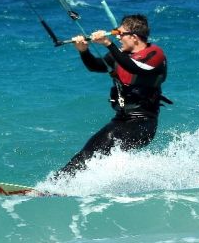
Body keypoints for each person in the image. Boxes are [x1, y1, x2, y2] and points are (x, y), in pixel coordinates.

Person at [55, 14, 170, 178]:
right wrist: (83, 51)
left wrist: (108, 43)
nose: (118, 38)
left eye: (120, 34)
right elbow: (96, 66)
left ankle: (60, 184)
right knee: (89, 152)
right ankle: (58, 184)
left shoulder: (155, 55)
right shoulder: (121, 54)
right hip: (121, 120)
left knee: (102, 145)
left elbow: (134, 67)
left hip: (143, 123)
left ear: (134, 37)